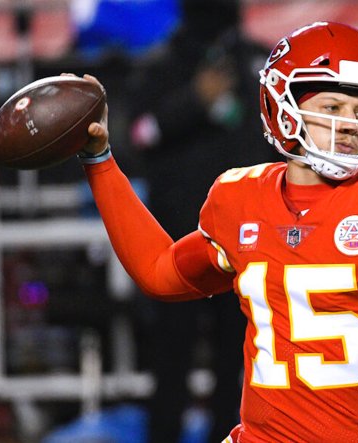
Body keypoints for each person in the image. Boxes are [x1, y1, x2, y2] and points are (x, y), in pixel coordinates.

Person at [74, 22, 358, 442]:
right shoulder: (240, 197)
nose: (352, 124)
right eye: (333, 105)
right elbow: (160, 272)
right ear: (283, 107)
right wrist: (101, 161)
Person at [123, 1, 277, 441]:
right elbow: (138, 137)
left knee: (242, 357)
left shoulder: (260, 63)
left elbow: (280, 148)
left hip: (248, 240)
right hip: (179, 240)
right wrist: (194, 101)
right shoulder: (162, 66)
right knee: (171, 355)